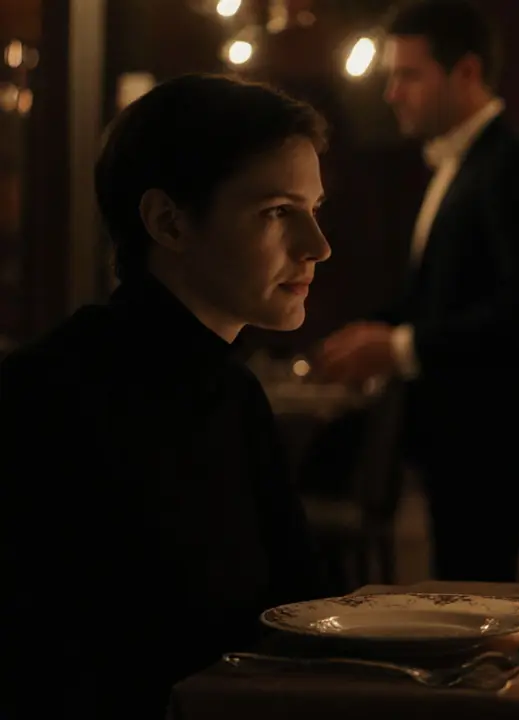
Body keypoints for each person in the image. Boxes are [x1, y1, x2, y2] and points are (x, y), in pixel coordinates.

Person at [0, 74, 333, 718]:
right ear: (168, 222)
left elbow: (302, 615)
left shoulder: (233, 393)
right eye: (277, 212)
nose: (318, 247)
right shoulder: (46, 397)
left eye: (315, 210)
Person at [315, 0, 519, 582]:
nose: (391, 93)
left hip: (490, 433)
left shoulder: (516, 166)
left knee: (477, 594)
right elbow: (435, 297)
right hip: (455, 431)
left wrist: (400, 346)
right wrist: (373, 332)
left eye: (408, 74)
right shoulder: (462, 167)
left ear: (467, 73)